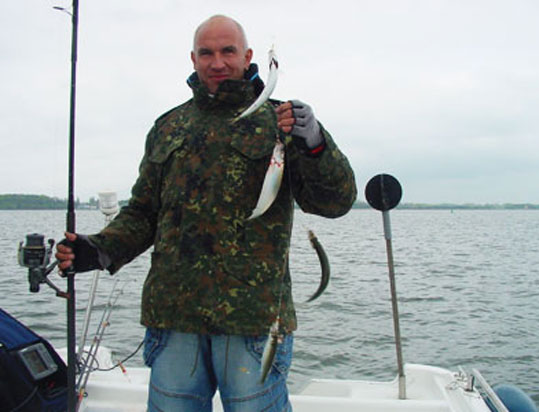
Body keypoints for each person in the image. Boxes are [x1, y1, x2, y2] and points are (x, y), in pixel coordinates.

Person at [56, 14, 357, 412]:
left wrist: (315, 142)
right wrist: (100, 250)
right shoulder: (169, 126)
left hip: (253, 320)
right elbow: (144, 212)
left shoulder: (281, 122)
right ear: (193, 59)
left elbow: (334, 202)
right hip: (174, 316)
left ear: (248, 56)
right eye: (207, 53)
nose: (217, 62)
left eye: (227, 51)